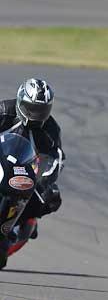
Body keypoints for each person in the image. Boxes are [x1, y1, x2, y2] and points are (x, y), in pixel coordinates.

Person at [0, 78, 64, 262]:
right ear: (20, 100)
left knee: (51, 196)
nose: (36, 114)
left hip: (26, 173)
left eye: (41, 110)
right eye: (31, 108)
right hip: (1, 161)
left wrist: (46, 176)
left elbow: (56, 156)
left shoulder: (50, 128)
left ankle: (20, 223)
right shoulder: (4, 111)